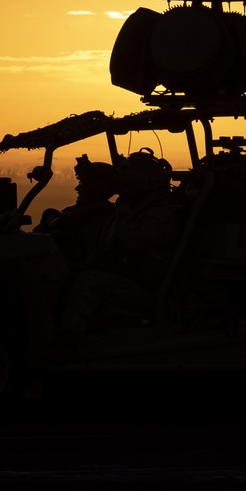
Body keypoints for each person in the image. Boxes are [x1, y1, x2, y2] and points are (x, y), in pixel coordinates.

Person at [57, 148, 178, 346]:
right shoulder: (132, 211)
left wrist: (123, 208)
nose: (124, 188)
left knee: (90, 280)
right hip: (124, 279)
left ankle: (69, 341)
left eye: (130, 184)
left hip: (145, 292)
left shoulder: (160, 215)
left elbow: (134, 241)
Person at [34, 155, 117, 267]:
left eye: (82, 184)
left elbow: (85, 257)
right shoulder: (81, 212)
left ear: (97, 188)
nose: (77, 189)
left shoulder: (101, 220)